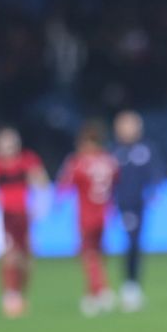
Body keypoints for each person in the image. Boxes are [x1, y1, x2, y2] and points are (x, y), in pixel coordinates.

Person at [0, 127, 48, 318]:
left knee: (26, 258)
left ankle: (21, 293)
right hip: (6, 215)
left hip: (25, 214)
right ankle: (10, 295)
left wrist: (39, 202)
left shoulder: (27, 160)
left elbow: (41, 180)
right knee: (10, 254)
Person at [58, 121, 120, 316]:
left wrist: (55, 203)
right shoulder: (109, 160)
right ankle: (95, 292)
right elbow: (116, 182)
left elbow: (64, 186)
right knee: (99, 253)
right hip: (105, 213)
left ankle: (100, 291)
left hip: (86, 214)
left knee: (88, 254)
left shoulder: (78, 162)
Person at [111, 110, 164, 311]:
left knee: (135, 243)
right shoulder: (114, 151)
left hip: (139, 205)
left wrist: (154, 190)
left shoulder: (146, 149)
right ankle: (123, 287)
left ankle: (131, 286)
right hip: (119, 205)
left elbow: (157, 172)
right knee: (127, 243)